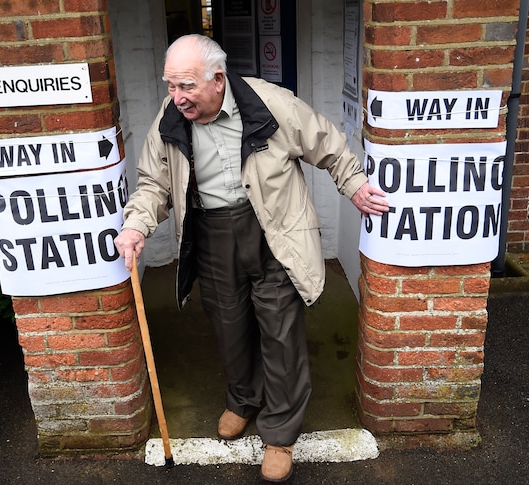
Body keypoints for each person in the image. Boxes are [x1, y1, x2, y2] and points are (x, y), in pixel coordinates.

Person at [114, 34, 389, 482]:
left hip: (273, 229)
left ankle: (280, 432)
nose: (177, 97)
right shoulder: (170, 121)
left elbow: (326, 142)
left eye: (186, 86)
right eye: (170, 86)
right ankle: (243, 398)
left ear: (217, 80)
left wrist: (354, 184)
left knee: (280, 329)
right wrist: (136, 225)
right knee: (228, 324)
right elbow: (153, 184)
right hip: (212, 233)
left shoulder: (269, 103)